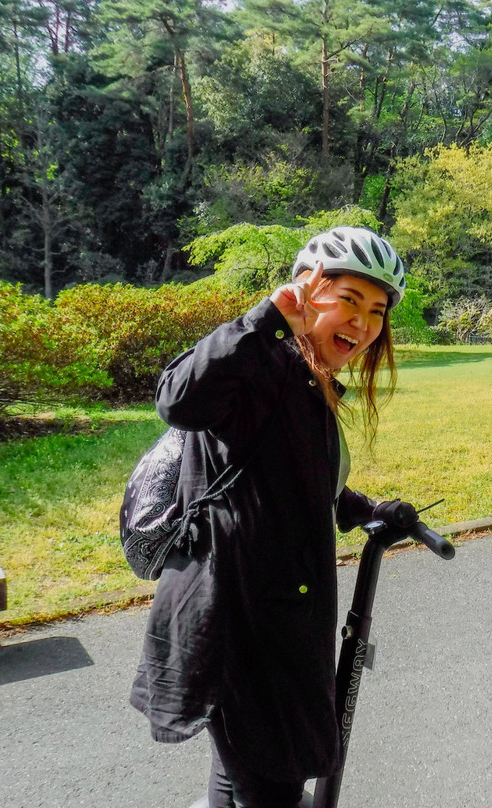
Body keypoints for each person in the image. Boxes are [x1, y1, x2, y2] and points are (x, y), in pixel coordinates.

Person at [129, 227, 407, 808]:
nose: (362, 323)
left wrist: (367, 509)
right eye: (348, 300)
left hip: (275, 622)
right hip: (238, 628)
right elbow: (178, 401)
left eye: (377, 310)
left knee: (241, 779)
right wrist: (266, 320)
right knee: (271, 784)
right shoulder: (263, 363)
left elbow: (296, 478)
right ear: (308, 291)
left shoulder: (308, 380)